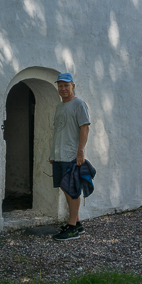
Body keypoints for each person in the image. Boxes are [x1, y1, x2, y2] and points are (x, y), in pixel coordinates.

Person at [49, 72, 91, 241]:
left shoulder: (79, 104)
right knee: (65, 187)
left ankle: (72, 227)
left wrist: (80, 151)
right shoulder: (59, 107)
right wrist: (53, 153)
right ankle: (77, 223)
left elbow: (85, 128)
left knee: (72, 189)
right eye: (60, 85)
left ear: (73, 86)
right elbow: (59, 131)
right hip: (59, 154)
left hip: (71, 155)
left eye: (66, 85)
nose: (63, 88)